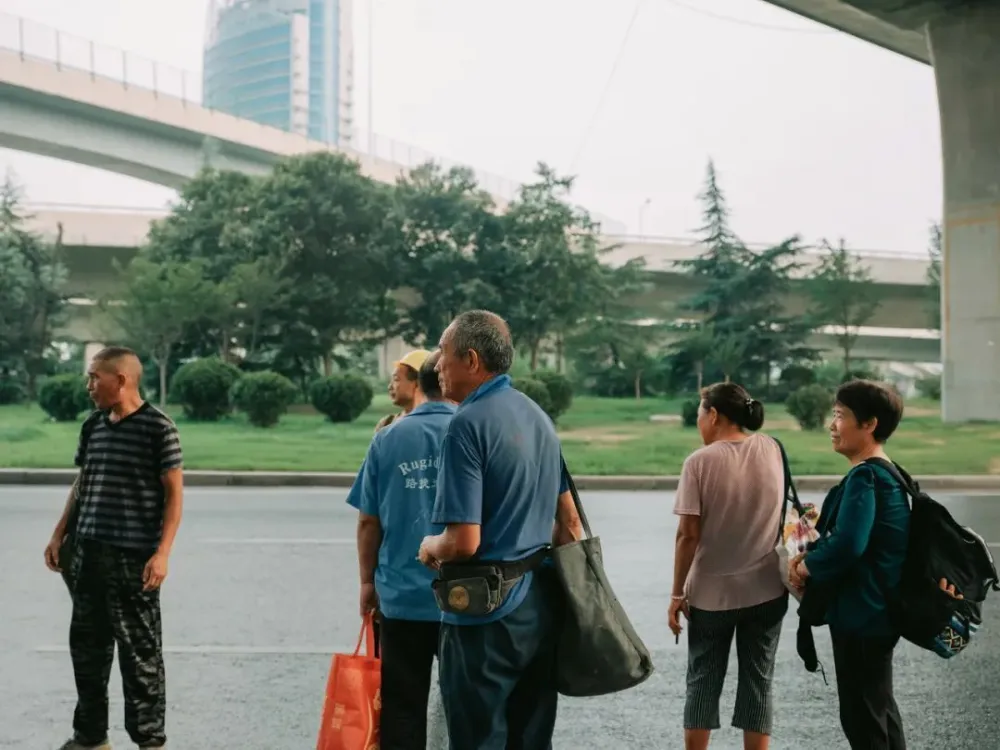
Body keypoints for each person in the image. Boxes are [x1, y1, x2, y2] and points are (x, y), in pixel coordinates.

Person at [417, 310, 581, 750]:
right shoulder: (538, 417)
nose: (436, 366)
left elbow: (464, 541)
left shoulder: (467, 425)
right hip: (539, 606)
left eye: (444, 354)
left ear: (471, 360)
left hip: (485, 614)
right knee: (530, 737)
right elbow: (570, 525)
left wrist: (431, 545)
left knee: (477, 737)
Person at [43, 347, 183, 750]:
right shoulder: (94, 426)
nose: (89, 386)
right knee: (87, 651)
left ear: (120, 380)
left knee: (140, 657)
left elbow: (174, 495)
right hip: (86, 552)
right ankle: (90, 737)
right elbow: (83, 483)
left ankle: (149, 741)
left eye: (94, 377)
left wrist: (163, 552)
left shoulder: (159, 428)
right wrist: (59, 535)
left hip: (132, 558)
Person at [790, 380, 909, 750]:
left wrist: (804, 567)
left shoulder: (866, 476)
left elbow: (848, 545)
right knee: (880, 712)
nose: (832, 424)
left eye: (840, 416)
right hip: (879, 610)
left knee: (863, 720)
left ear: (869, 424)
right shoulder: (891, 473)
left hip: (861, 613)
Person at [669, 382, 789, 750]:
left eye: (699, 416)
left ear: (714, 415)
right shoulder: (771, 448)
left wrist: (676, 594)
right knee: (758, 682)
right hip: (767, 590)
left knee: (703, 680)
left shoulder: (699, 462)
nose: (698, 423)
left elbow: (687, 535)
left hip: (710, 597)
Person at [356, 351, 455, 750]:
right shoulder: (473, 431)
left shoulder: (387, 438)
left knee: (402, 704)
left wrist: (366, 582)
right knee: (460, 701)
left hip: (399, 597)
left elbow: (368, 521)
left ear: (421, 384)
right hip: (462, 598)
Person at [345, 349, 432, 512]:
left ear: (419, 382)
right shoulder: (386, 425)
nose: (390, 386)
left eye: (397, 379)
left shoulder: (452, 425)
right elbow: (372, 485)